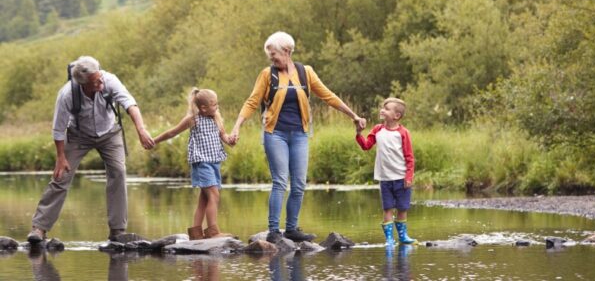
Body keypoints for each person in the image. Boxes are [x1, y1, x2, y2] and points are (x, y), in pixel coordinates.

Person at [229, 31, 366, 243]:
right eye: (270, 55)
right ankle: (274, 231)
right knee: (281, 181)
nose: (271, 58)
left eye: (274, 54)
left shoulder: (306, 72)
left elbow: (328, 96)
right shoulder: (267, 74)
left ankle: (291, 229)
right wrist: (237, 126)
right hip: (275, 134)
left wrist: (353, 116)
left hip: (300, 134)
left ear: (287, 51)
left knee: (300, 183)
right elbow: (252, 102)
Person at [27, 56, 155, 244]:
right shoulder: (67, 94)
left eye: (99, 76)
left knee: (118, 173)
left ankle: (117, 231)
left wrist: (141, 129)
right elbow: (58, 128)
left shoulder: (109, 80)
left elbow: (130, 104)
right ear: (83, 84)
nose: (100, 81)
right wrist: (61, 157)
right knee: (61, 177)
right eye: (96, 81)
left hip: (110, 133)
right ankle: (39, 228)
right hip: (78, 135)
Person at [152, 88, 234, 240]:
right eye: (214, 104)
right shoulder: (193, 119)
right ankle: (213, 231)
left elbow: (223, 135)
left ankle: (196, 232)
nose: (217, 107)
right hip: (202, 162)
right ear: (203, 107)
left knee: (204, 197)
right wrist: (155, 140)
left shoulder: (216, 117)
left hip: (214, 161)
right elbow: (172, 132)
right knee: (214, 195)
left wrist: (230, 140)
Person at [355, 97, 417, 245]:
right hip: (385, 179)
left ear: (397, 116)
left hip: (401, 178)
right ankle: (389, 239)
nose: (382, 110)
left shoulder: (403, 133)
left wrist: (409, 176)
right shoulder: (377, 129)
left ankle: (403, 236)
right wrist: (358, 133)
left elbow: (409, 157)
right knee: (387, 208)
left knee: (402, 208)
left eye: (387, 108)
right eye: (383, 107)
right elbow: (366, 146)